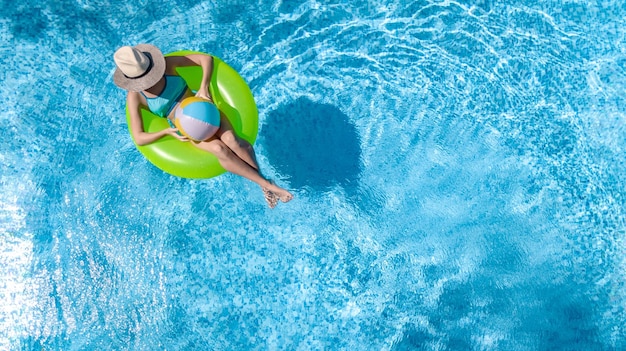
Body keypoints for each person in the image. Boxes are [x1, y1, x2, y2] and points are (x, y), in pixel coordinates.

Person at [113, 44, 293, 208]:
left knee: (232, 140)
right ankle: (266, 184)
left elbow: (205, 59)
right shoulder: (135, 97)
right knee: (219, 149)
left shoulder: (167, 65)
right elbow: (139, 137)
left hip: (206, 109)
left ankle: (265, 184)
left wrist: (203, 87)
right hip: (187, 130)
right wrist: (167, 132)